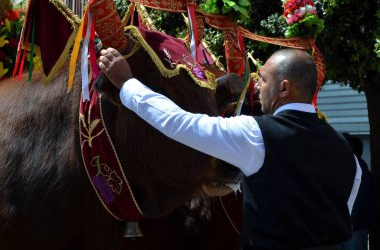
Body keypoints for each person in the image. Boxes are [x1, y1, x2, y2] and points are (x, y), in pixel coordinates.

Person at [98, 47, 362, 250]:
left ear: (284, 88)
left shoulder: (255, 133)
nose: (256, 87)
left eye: (263, 79)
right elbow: (344, 211)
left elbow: (178, 123)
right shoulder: (343, 147)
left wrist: (127, 83)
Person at [341, 133, 373, 250]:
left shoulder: (355, 168)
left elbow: (359, 199)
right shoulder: (359, 167)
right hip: (354, 224)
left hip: (354, 225)